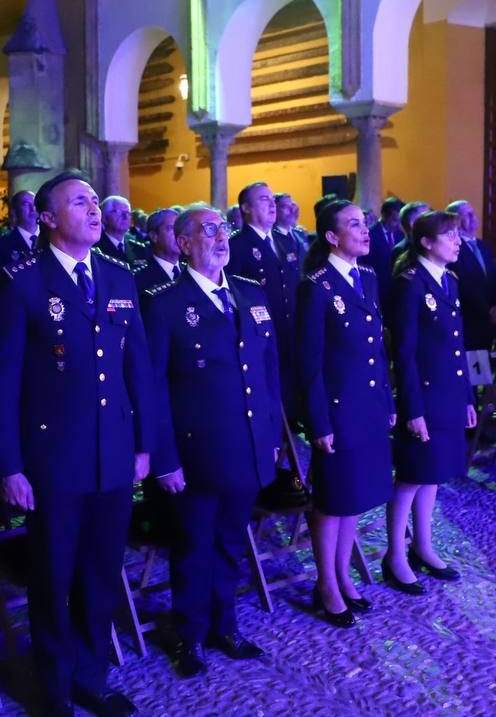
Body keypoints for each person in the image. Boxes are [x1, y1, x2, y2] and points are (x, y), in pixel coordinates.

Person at [0, 170, 153, 717]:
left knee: (102, 571)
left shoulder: (117, 275)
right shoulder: (22, 281)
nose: (94, 208)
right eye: (79, 202)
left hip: (113, 455)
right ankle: (53, 686)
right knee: (53, 576)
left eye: (95, 200)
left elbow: (138, 369)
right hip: (53, 460)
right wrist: (8, 464)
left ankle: (90, 675)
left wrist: (146, 444)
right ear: (49, 218)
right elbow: (0, 381)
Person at [143, 203, 278, 678]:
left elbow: (267, 372)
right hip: (196, 453)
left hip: (247, 447)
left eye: (224, 228)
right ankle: (191, 635)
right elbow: (153, 386)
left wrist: (271, 435)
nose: (222, 237)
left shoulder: (249, 292)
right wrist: (164, 458)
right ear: (182, 244)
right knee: (194, 547)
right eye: (208, 231)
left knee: (230, 543)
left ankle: (226, 625)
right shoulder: (164, 302)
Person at [295, 200, 395, 625]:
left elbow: (376, 349)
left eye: (365, 222)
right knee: (332, 498)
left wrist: (388, 402)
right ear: (332, 237)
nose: (364, 229)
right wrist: (318, 421)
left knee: (353, 495)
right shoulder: (316, 287)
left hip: (367, 405)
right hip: (337, 409)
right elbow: (309, 362)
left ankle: (343, 574)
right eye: (354, 224)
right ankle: (327, 583)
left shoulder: (367, 278)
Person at [387, 210, 476, 594]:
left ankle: (423, 545)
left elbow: (457, 346)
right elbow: (403, 354)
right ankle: (395, 555)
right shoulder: (409, 284)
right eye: (449, 235)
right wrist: (413, 408)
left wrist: (467, 396)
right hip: (423, 394)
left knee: (433, 474)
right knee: (410, 477)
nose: (457, 241)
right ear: (426, 242)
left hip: (447, 392)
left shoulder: (448, 282)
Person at [227, 182, 302, 415]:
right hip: (261, 335)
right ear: (246, 208)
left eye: (272, 199)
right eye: (263, 199)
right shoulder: (236, 245)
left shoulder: (285, 241)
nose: (271, 204)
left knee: (291, 397)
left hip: (289, 331)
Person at [446, 200, 496, 352]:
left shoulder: (484, 246)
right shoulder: (453, 247)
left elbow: (493, 279)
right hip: (469, 318)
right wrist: (485, 310)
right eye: (467, 214)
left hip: (490, 319)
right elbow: (463, 283)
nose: (474, 216)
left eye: (473, 212)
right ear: (456, 220)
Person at [0, 189, 40, 267]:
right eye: (26, 204)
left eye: (35, 204)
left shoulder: (53, 239)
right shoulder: (0, 246)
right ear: (14, 211)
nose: (32, 209)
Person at [134, 207, 182, 293]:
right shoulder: (137, 278)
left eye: (180, 229)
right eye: (171, 228)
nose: (178, 234)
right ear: (154, 236)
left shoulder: (191, 272)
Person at [98, 195, 146, 264]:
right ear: (104, 217)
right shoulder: (96, 246)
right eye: (118, 212)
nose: (125, 217)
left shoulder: (137, 247)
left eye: (128, 213)